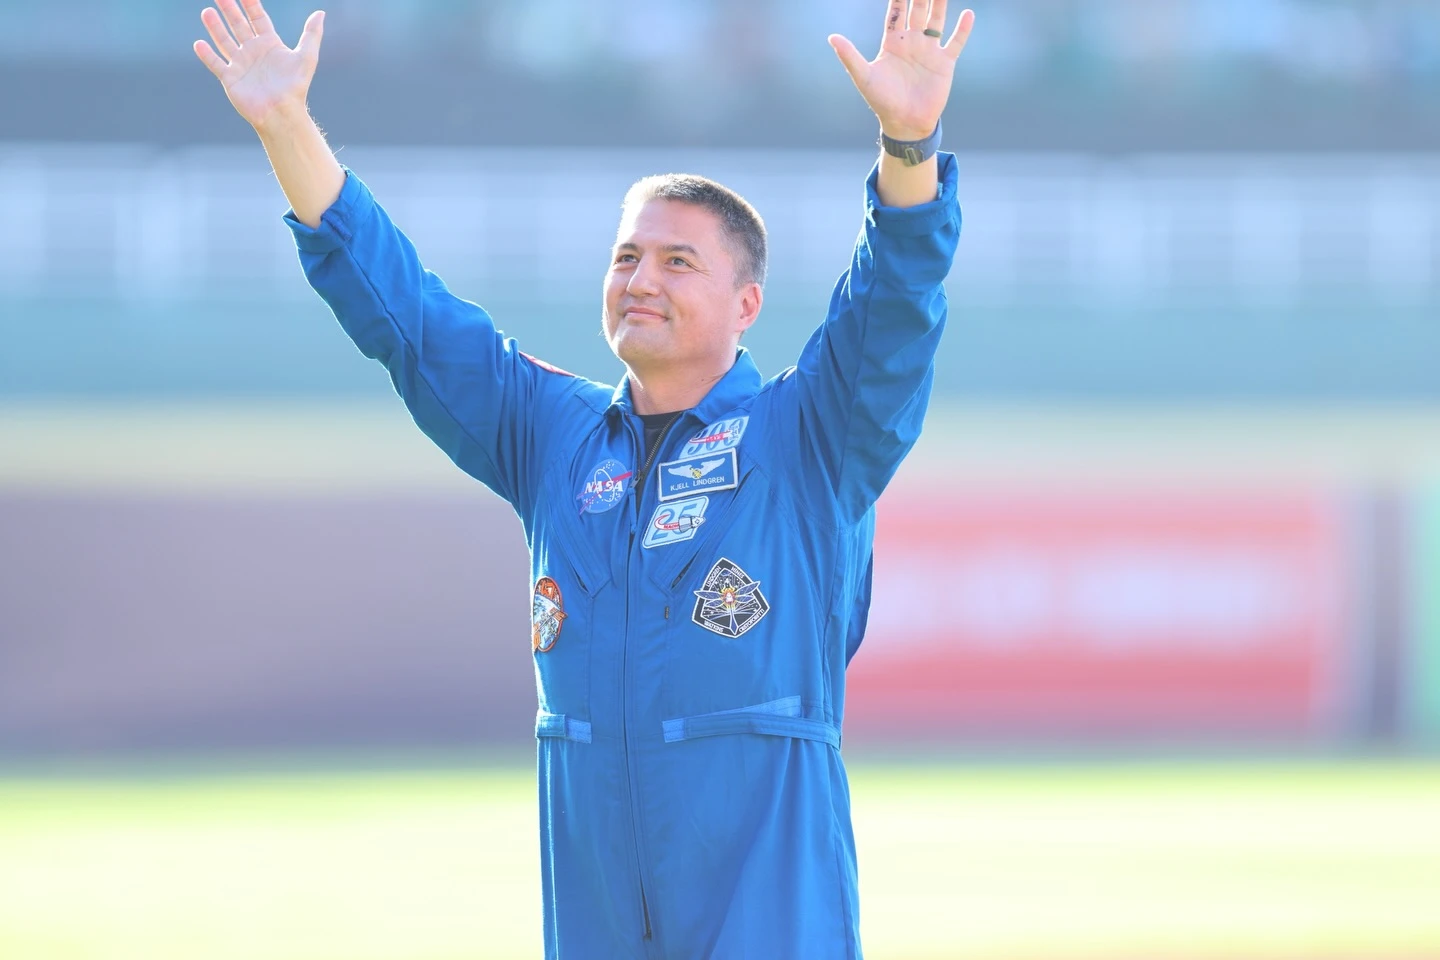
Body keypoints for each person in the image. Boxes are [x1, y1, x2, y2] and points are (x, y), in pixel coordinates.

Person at [195, 0, 972, 955]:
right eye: (626, 257)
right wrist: (286, 126)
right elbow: (407, 315)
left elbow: (891, 311)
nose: (641, 279)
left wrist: (909, 144)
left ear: (747, 305)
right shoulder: (553, 434)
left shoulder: (808, 437)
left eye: (678, 261)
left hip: (772, 926)